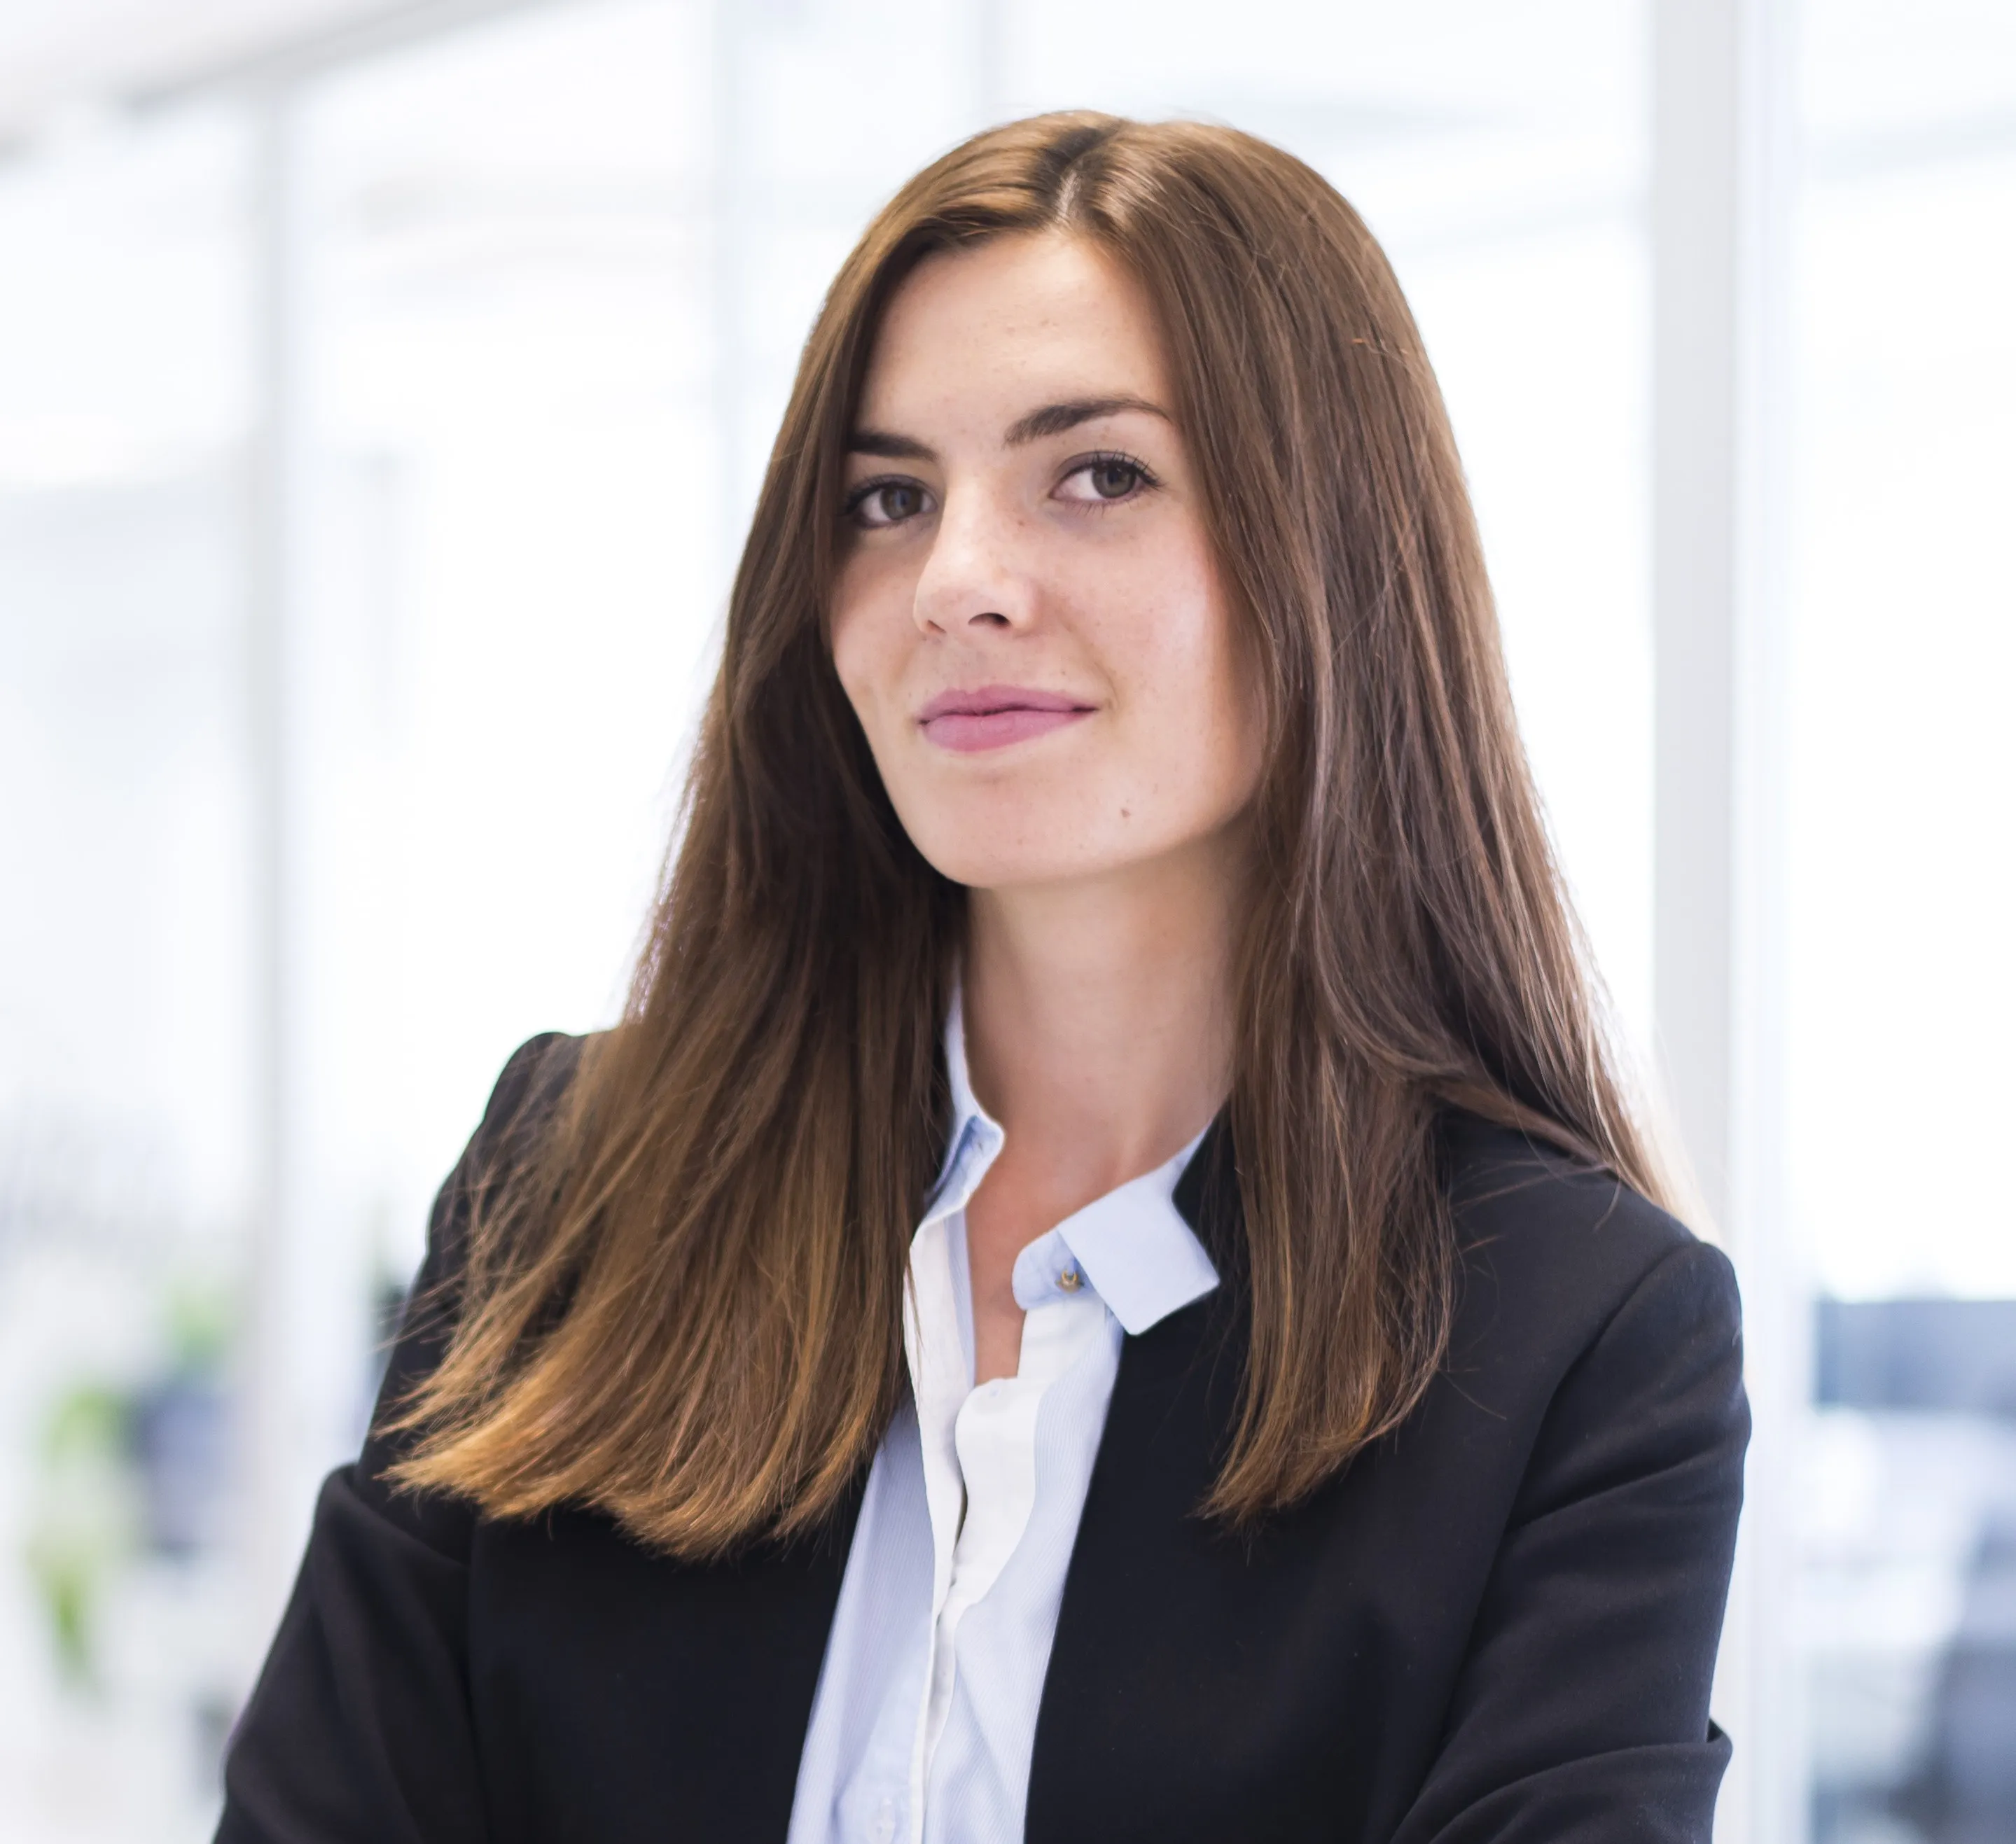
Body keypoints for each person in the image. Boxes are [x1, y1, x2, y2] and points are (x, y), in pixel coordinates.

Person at [217, 113, 1747, 1844]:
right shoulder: (573, 1182)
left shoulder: (1574, 1341)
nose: (955, 581)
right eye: (887, 498)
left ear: (1326, 554)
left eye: (1094, 474)